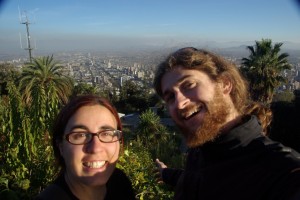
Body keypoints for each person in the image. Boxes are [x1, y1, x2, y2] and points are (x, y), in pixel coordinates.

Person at [153, 47, 300, 200]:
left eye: (189, 85)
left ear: (225, 84)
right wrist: (166, 173)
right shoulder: (200, 152)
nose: (179, 104)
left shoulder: (281, 170)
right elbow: (201, 181)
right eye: (170, 97)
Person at [36, 95, 135, 200]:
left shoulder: (119, 182)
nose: (95, 148)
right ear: (61, 147)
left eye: (106, 133)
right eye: (80, 135)